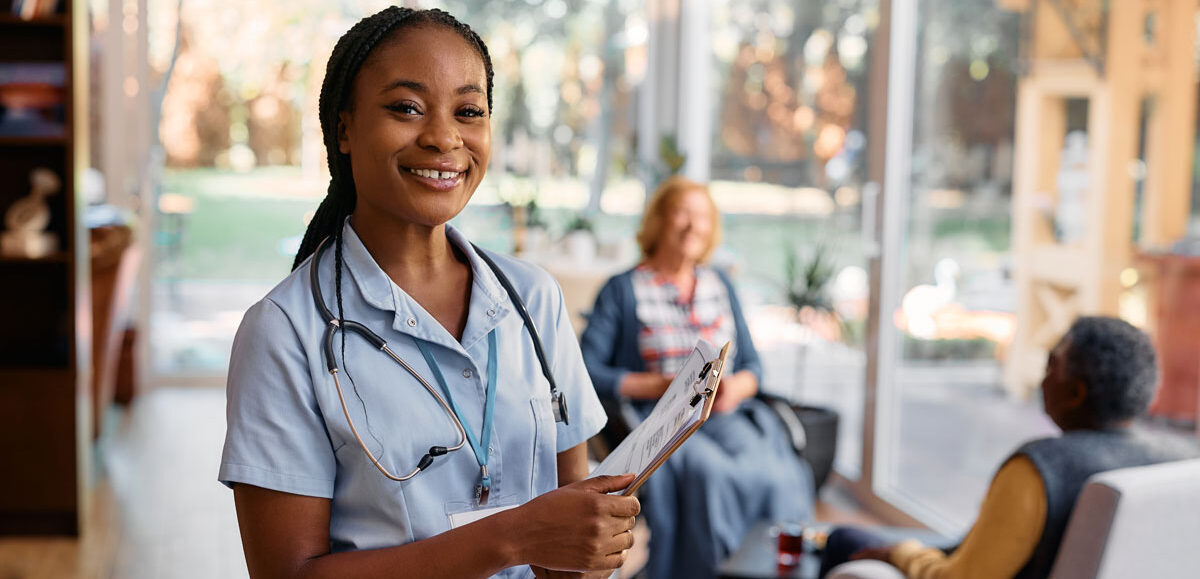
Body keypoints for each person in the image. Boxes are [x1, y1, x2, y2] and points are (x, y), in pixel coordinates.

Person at [218, 8, 640, 579]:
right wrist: (511, 538)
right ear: (344, 128)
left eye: (468, 111)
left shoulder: (534, 299)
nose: (444, 137)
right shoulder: (285, 331)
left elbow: (569, 538)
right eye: (406, 108)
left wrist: (591, 543)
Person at [821, 316, 1200, 579]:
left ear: (1075, 392)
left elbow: (962, 578)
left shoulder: (1041, 468)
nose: (1042, 377)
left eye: (1052, 364)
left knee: (843, 540)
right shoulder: (1175, 463)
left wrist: (899, 553)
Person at [579, 176, 815, 579]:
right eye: (682, 213)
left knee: (779, 476)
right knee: (710, 479)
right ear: (658, 221)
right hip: (664, 421)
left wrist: (734, 389)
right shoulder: (623, 289)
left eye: (702, 216)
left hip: (726, 414)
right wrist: (660, 386)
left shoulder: (719, 283)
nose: (693, 226)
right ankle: (715, 571)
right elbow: (588, 370)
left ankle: (763, 570)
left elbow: (754, 366)